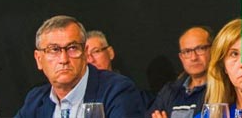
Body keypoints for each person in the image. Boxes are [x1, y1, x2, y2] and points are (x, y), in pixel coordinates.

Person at [15, 16, 145, 118]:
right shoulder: (36, 100)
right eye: (54, 50)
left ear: (84, 53)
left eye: (72, 48)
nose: (64, 59)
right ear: (39, 59)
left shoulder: (116, 91)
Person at [148, 27, 210, 118]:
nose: (193, 57)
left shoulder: (223, 89)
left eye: (200, 49)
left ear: (214, 50)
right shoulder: (169, 91)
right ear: (181, 57)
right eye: (187, 52)